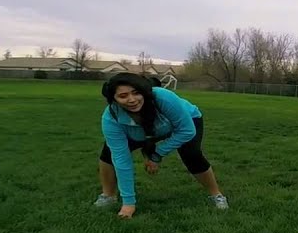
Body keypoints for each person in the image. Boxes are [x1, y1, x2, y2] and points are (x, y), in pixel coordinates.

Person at [92, 72, 229, 218]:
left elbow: (187, 131)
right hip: (139, 131)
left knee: (192, 155)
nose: (132, 100)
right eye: (123, 96)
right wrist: (128, 204)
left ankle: (216, 195)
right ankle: (108, 196)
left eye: (136, 93)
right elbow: (122, 160)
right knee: (109, 154)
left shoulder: (163, 97)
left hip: (183, 123)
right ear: (114, 99)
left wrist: (156, 154)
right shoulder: (111, 118)